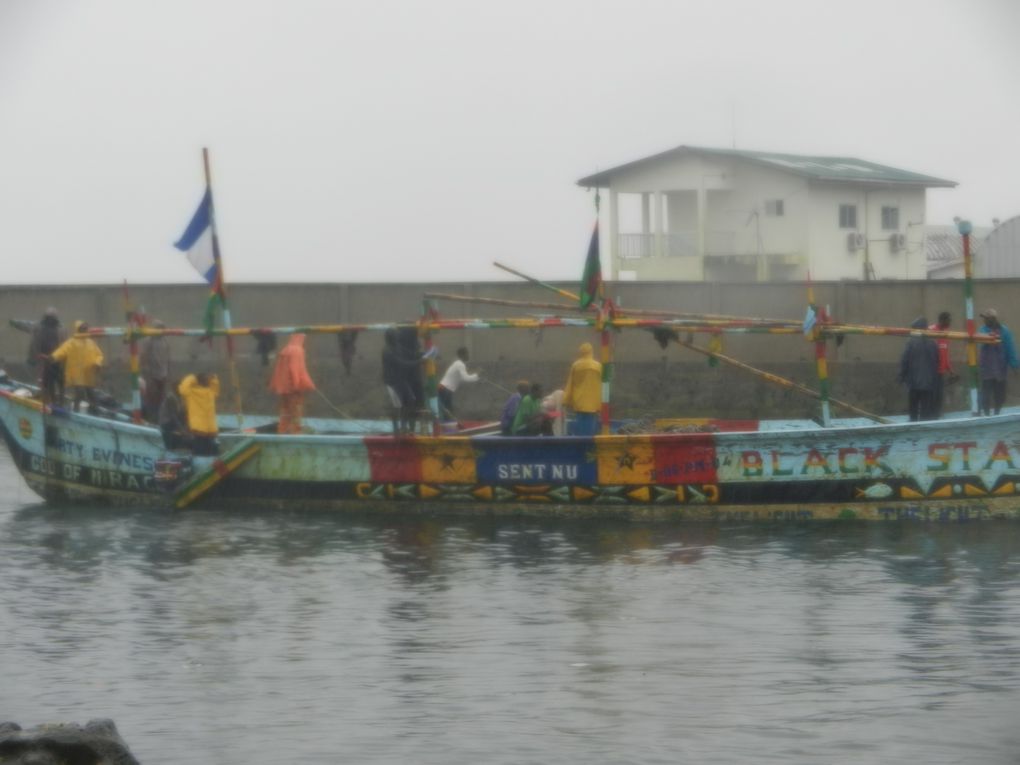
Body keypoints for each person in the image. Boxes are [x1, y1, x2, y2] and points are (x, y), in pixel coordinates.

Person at [382, 328, 431, 435]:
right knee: (398, 405)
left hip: (401, 380)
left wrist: (424, 354)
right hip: (392, 382)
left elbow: (409, 354)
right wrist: (420, 361)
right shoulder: (387, 351)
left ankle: (404, 427)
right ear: (390, 338)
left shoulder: (397, 347)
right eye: (395, 336)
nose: (397, 337)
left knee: (410, 400)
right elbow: (402, 363)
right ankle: (397, 429)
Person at [50, 321, 104, 413]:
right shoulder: (72, 342)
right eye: (83, 328)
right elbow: (62, 351)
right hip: (76, 373)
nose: (84, 329)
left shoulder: (91, 342)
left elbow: (99, 355)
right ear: (78, 329)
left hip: (88, 372)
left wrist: (97, 363)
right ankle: (76, 410)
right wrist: (53, 357)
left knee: (91, 392)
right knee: (79, 392)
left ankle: (94, 409)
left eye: (85, 328)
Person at [269, 333, 316, 434]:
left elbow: (279, 370)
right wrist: (297, 385)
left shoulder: (286, 349)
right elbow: (296, 369)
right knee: (296, 410)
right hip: (293, 388)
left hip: (283, 387)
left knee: (285, 410)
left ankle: (282, 430)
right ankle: (296, 432)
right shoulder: (298, 350)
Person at [978, 308, 1019, 416]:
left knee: (1000, 394)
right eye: (984, 318)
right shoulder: (983, 330)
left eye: (986, 318)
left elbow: (1010, 349)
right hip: (986, 369)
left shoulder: (1005, 331)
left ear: (993, 319)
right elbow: (980, 340)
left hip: (1000, 368)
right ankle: (986, 414)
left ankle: (997, 412)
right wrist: (990, 336)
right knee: (986, 393)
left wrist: (1015, 366)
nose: (984, 320)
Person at [897, 316, 938, 422]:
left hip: (914, 382)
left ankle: (913, 427)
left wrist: (901, 375)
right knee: (926, 411)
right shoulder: (933, 343)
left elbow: (905, 360)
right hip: (928, 382)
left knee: (913, 410)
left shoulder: (911, 342)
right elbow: (936, 362)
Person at [27, 307, 67, 404]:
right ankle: (51, 401)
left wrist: (64, 358)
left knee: (60, 381)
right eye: (49, 317)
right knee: (48, 382)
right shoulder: (39, 328)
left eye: (52, 317)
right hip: (44, 359)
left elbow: (65, 344)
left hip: (57, 359)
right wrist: (34, 356)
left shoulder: (61, 328)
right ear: (45, 317)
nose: (50, 319)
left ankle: (61, 401)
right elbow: (35, 343)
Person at [563, 342, 603, 436]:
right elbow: (602, 384)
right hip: (593, 403)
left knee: (580, 427)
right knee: (591, 428)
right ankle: (589, 447)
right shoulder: (598, 366)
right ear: (591, 352)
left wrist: (566, 400)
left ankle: (580, 446)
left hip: (579, 402)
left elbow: (570, 383)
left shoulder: (576, 365)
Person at [178, 372, 220, 455]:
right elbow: (216, 388)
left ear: (197, 381)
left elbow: (182, 389)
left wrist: (192, 377)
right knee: (210, 452)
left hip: (198, 429)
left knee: (199, 452)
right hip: (210, 429)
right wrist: (214, 379)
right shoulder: (210, 393)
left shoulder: (191, 393)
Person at [140, 320, 171, 422]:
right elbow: (144, 356)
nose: (161, 330)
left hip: (163, 373)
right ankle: (150, 417)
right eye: (159, 328)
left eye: (162, 328)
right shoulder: (148, 340)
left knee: (161, 396)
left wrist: (167, 372)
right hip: (151, 373)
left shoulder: (165, 341)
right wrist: (145, 371)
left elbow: (167, 357)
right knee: (151, 396)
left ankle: (160, 418)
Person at [438, 346, 480, 420]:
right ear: (462, 355)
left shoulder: (457, 363)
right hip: (445, 389)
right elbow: (466, 378)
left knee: (447, 410)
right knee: (447, 411)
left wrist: (477, 376)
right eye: (467, 353)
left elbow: (462, 378)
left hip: (445, 389)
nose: (468, 355)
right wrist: (477, 375)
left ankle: (447, 426)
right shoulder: (460, 364)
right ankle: (447, 427)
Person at [928, 311, 955, 419]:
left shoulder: (946, 333)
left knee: (939, 396)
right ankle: (930, 416)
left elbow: (945, 354)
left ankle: (937, 416)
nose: (950, 322)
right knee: (931, 395)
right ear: (942, 320)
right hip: (931, 371)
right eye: (949, 320)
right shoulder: (931, 331)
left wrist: (950, 370)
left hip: (941, 372)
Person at [158, 377, 189, 450]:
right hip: (167, 422)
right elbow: (173, 416)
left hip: (173, 422)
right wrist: (182, 429)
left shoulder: (181, 397)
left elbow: (182, 414)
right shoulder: (171, 397)